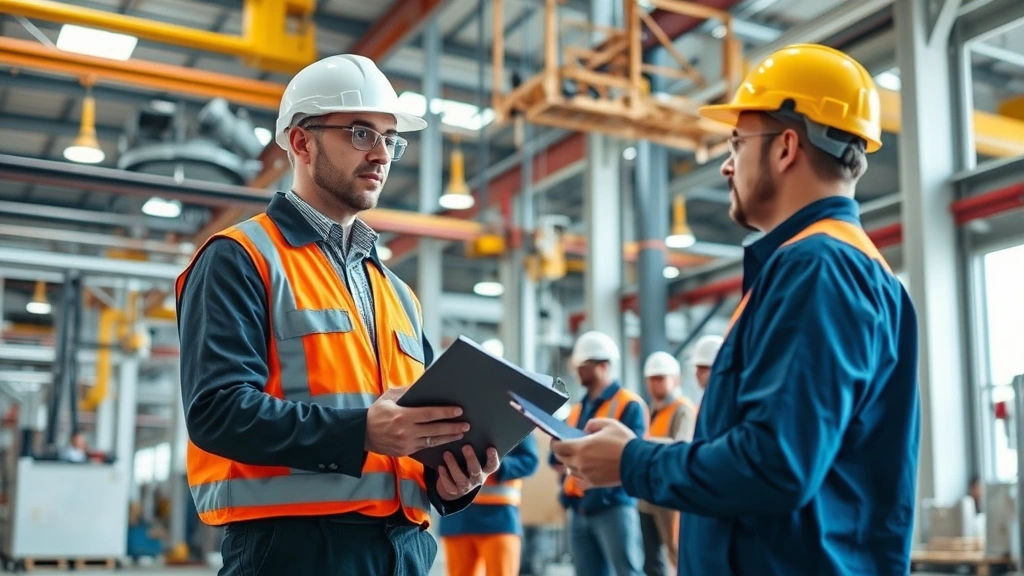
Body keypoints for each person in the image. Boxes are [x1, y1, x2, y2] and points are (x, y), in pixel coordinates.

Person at [550, 43, 919, 576]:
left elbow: (775, 465)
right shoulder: (834, 266)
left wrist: (633, 463)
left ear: (786, 147)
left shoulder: (820, 268)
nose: (727, 164)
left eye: (738, 142)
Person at [176, 54, 500, 576]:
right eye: (360, 132)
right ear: (302, 143)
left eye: (390, 138)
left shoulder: (398, 294)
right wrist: (361, 433)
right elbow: (217, 411)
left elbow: (410, 432)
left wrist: (452, 479)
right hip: (293, 551)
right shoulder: (241, 257)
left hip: (407, 549)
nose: (381, 154)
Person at [550, 331, 647, 576]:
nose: (577, 371)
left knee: (628, 572)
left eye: (583, 366)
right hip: (579, 508)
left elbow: (633, 456)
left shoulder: (628, 404)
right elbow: (558, 457)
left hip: (614, 506)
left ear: (602, 366)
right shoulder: (578, 410)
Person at [439, 434, 539, 576]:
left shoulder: (517, 416)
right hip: (457, 517)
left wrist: (491, 464)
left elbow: (529, 461)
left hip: (499, 519)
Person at [636, 352, 696, 576]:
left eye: (660, 378)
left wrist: (643, 445)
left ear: (675, 379)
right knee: (651, 559)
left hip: (670, 495)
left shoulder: (683, 409)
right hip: (648, 495)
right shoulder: (649, 410)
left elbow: (682, 446)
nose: (655, 384)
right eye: (651, 379)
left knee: (676, 552)